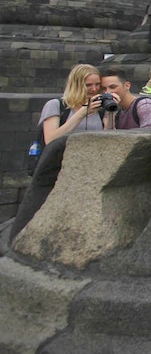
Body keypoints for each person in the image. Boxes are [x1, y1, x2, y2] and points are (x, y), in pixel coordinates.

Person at [12, 64, 108, 239]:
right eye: (88, 85)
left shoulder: (98, 108)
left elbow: (108, 138)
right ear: (77, 84)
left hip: (86, 170)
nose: (94, 89)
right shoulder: (56, 105)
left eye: (97, 85)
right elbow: (52, 140)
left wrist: (111, 114)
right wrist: (81, 113)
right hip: (57, 169)